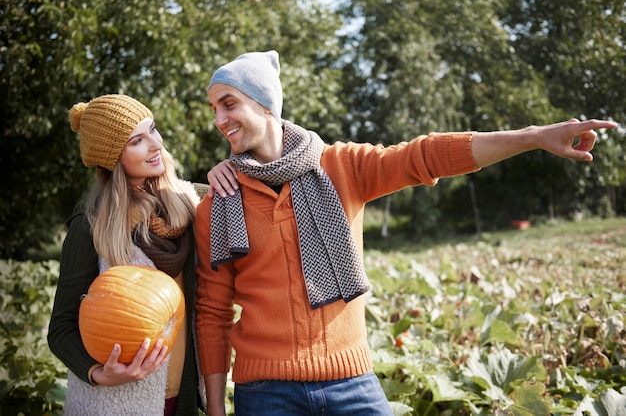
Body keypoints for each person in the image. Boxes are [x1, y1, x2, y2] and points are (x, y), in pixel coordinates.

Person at [194, 50, 618, 416]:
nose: (219, 119)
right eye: (214, 109)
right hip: (266, 393)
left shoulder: (342, 167)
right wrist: (215, 407)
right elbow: (213, 313)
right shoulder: (218, 202)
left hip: (351, 382)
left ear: (266, 105)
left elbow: (426, 156)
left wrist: (534, 137)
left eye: (228, 104)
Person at [48, 94, 208, 415]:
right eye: (137, 140)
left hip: (183, 398)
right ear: (113, 158)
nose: (155, 144)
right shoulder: (92, 224)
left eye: (153, 130)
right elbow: (61, 329)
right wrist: (98, 374)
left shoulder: (192, 202)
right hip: (112, 404)